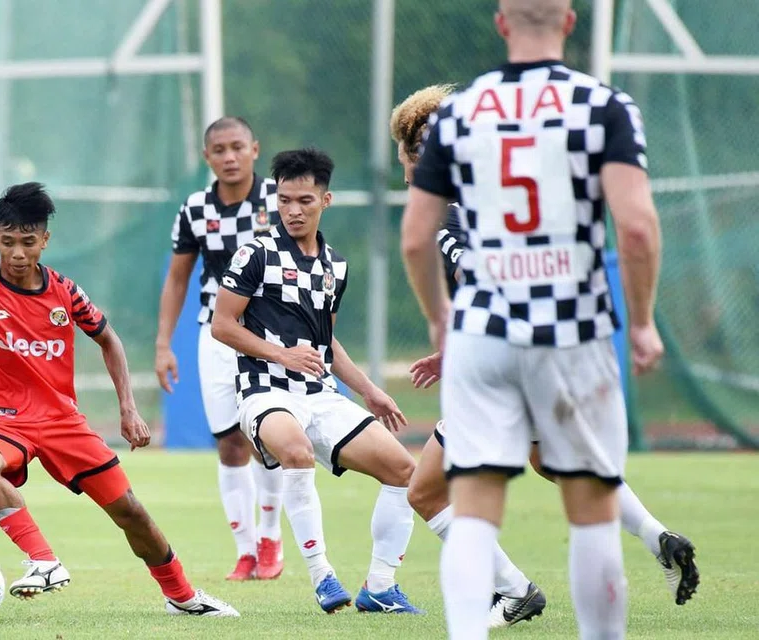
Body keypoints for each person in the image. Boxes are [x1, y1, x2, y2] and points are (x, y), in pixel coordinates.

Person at [401, 0, 680, 637]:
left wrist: (440, 320)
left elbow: (417, 239)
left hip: (483, 331)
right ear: (571, 23)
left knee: (470, 512)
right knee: (589, 505)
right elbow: (636, 227)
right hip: (571, 329)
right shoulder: (604, 107)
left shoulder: (460, 115)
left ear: (501, 24)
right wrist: (640, 322)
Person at [0, 183, 238, 617]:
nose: (18, 253)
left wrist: (128, 409)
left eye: (28, 242)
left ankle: (183, 597)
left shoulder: (65, 292)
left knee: (131, 513)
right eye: (7, 242)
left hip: (62, 422)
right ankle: (43, 560)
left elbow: (109, 340)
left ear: (45, 240)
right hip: (4, 421)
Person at [211, 148, 424, 615]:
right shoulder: (256, 253)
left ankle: (381, 587)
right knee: (295, 452)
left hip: (320, 395)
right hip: (264, 391)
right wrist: (281, 354)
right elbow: (222, 325)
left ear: (325, 200)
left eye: (304, 200)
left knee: (405, 471)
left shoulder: (335, 265)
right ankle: (322, 575)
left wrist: (371, 391)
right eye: (284, 200)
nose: (293, 210)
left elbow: (327, 342)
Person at [393, 84, 547, 630]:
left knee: (426, 491)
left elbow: (472, 280)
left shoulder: (444, 215)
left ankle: (515, 590)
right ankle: (650, 532)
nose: (407, 174)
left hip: (491, 372)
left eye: (408, 159)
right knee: (554, 465)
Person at [155, 116, 285, 581]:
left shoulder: (278, 199)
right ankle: (245, 549)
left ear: (254, 149)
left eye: (237, 147)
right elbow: (177, 278)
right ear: (207, 157)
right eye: (219, 150)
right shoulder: (194, 209)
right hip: (215, 335)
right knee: (229, 441)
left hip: (271, 335)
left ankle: (271, 538)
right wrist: (163, 344)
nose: (229, 157)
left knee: (268, 436)